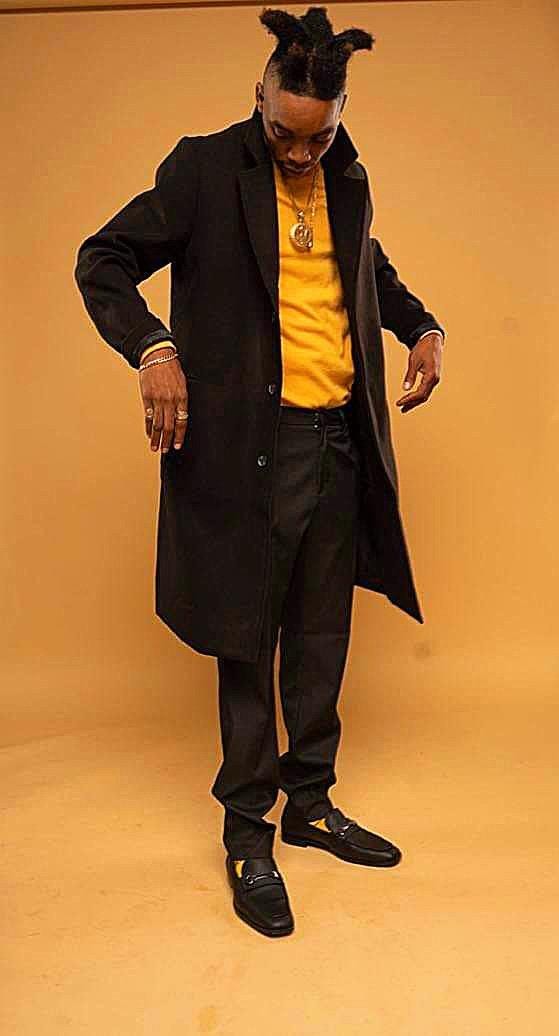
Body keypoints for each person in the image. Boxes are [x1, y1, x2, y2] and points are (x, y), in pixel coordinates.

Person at [74, 6, 445, 938]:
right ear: (259, 97)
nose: (299, 153)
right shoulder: (204, 169)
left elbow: (361, 266)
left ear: (340, 114)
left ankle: (309, 802)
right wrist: (153, 347)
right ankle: (248, 833)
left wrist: (421, 325)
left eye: (317, 137)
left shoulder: (344, 171)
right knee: (249, 634)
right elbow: (104, 259)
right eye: (283, 133)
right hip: (251, 445)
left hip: (338, 438)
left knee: (321, 630)